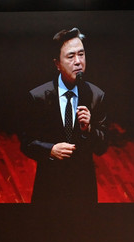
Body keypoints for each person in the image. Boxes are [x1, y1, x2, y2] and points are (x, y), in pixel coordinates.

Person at [20, 28, 109, 206]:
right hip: (49, 185)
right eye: (71, 56)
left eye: (81, 54)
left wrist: (89, 129)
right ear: (57, 64)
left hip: (83, 188)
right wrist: (50, 149)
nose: (78, 62)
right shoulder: (39, 97)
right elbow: (27, 143)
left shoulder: (96, 96)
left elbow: (102, 147)